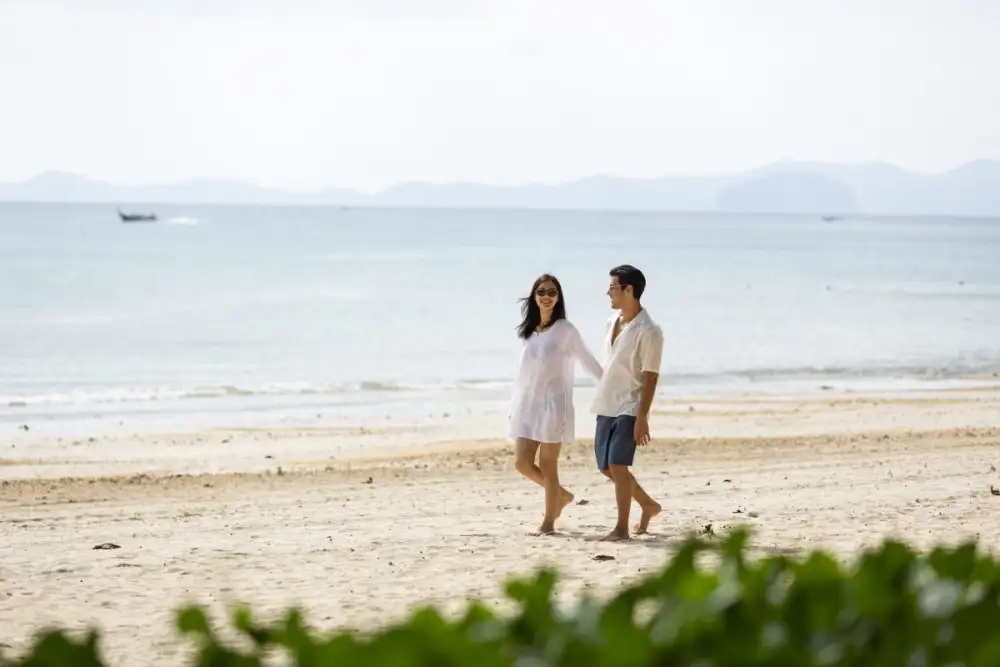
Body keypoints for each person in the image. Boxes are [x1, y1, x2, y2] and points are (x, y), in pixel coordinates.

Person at [509, 273, 603, 536]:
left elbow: (587, 360)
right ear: (534, 296)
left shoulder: (565, 330)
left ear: (559, 297)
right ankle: (560, 495)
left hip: (553, 405)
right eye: (541, 292)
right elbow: (523, 374)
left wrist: (610, 387)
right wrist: (514, 405)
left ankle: (548, 522)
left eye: (552, 292)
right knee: (522, 463)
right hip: (527, 405)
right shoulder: (529, 331)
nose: (546, 297)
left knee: (549, 465)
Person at [591, 264, 664, 542]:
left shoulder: (650, 330)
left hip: (630, 405)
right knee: (606, 467)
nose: (608, 292)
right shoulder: (611, 322)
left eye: (612, 287)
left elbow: (650, 376)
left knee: (618, 465)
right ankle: (648, 505)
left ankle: (621, 528)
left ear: (628, 289)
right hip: (607, 401)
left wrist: (642, 416)